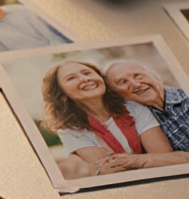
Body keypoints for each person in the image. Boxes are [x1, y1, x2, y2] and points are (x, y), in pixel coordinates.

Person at [39, 60, 172, 177]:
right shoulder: (69, 130)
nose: (85, 79)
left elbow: (163, 155)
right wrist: (147, 160)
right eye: (71, 78)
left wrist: (125, 162)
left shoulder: (133, 107)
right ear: (62, 94)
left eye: (87, 73)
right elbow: (113, 170)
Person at [102, 60, 189, 170]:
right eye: (122, 82)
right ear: (117, 95)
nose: (136, 84)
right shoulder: (137, 120)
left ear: (156, 76)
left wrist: (141, 161)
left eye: (138, 75)